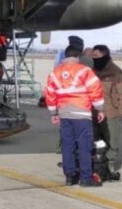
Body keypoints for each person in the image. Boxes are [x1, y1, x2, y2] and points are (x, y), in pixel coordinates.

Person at [45, 45, 105, 187]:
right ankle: (86, 178)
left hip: (64, 114)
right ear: (78, 56)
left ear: (65, 56)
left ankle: (70, 177)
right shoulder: (85, 70)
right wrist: (100, 109)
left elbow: (50, 93)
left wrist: (54, 113)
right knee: (84, 146)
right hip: (81, 114)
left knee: (68, 145)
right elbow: (95, 90)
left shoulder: (55, 72)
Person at [91, 44, 122, 172]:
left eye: (96, 56)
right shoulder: (91, 71)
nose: (94, 58)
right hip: (93, 112)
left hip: (111, 112)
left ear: (105, 55)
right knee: (97, 141)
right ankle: (98, 164)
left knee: (112, 141)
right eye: (93, 56)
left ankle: (111, 165)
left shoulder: (115, 72)